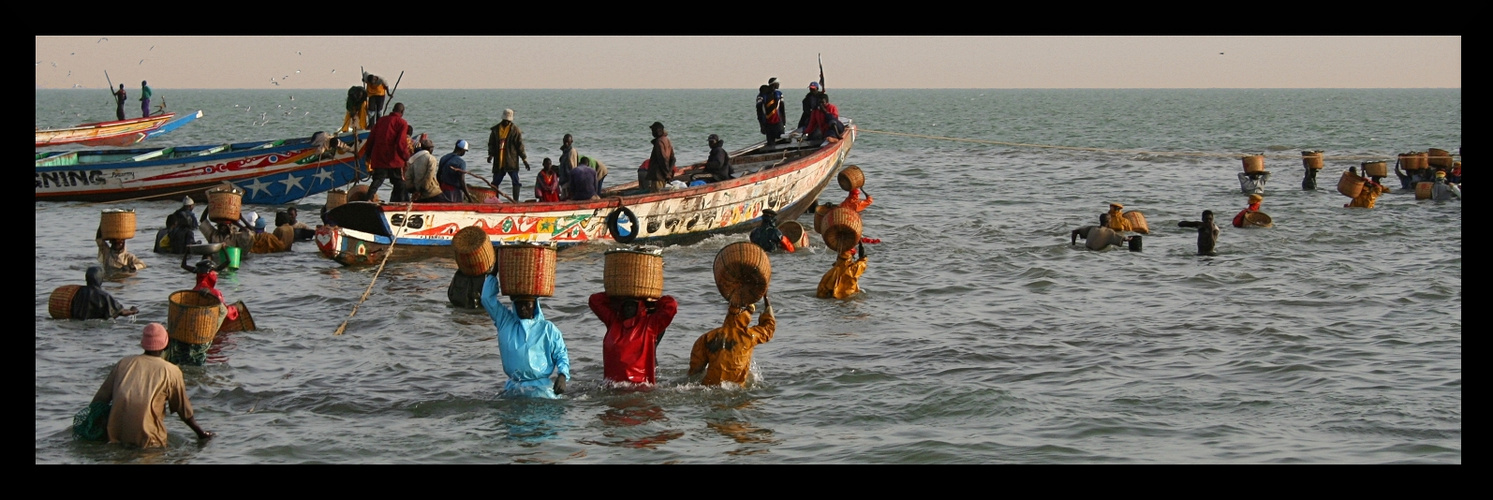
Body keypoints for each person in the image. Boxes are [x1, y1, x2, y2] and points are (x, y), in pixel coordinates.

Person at [89, 323, 214, 448]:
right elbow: (183, 411)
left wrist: (91, 425)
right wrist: (200, 433)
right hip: (149, 441)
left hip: (116, 437)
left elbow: (100, 400)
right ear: (166, 343)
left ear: (143, 343)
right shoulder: (171, 371)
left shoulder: (124, 363)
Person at [479, 271, 571, 399]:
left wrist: (562, 375)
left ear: (534, 306)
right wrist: (493, 273)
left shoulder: (547, 328)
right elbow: (486, 298)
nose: (523, 308)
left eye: (527, 304)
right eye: (519, 304)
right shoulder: (505, 322)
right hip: (513, 388)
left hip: (542, 390)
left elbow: (561, 354)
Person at [589, 292, 679, 385]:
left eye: (632, 305)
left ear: (639, 307)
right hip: (612, 384)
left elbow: (671, 306)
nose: (628, 308)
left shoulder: (649, 325)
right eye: (625, 305)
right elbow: (594, 300)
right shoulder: (613, 321)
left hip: (639, 384)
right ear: (621, 307)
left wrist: (652, 300)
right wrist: (616, 296)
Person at [688, 297, 776, 387]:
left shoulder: (707, 337)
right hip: (735, 388)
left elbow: (695, 372)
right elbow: (769, 329)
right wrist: (767, 300)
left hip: (709, 386)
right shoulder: (749, 336)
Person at [363, 102, 412, 202]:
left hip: (379, 157)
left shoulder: (381, 120)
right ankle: (401, 202)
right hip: (393, 159)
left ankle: (368, 199)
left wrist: (368, 154)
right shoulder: (402, 123)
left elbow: (371, 138)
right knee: (399, 182)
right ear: (402, 112)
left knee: (377, 180)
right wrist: (406, 157)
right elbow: (400, 143)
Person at [486, 108, 530, 202]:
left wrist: (524, 160)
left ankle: (515, 201)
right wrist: (491, 154)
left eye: (509, 121)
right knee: (495, 183)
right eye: (505, 121)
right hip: (499, 161)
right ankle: (495, 200)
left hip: (511, 161)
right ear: (502, 119)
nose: (507, 123)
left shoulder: (515, 130)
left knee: (516, 182)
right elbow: (491, 144)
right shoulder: (496, 130)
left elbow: (520, 146)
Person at [70, 266, 139, 320]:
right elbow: (121, 312)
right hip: (96, 327)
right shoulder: (104, 296)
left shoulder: (77, 291)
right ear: (100, 278)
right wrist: (133, 311)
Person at [406, 134, 442, 202]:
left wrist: (413, 190)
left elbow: (408, 177)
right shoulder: (431, 158)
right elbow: (429, 176)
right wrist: (423, 189)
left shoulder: (413, 159)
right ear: (430, 148)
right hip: (430, 192)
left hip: (417, 192)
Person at [645, 122, 676, 193]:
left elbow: (662, 159)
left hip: (658, 175)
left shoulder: (659, 142)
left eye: (653, 131)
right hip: (663, 175)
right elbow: (673, 159)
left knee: (656, 193)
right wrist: (669, 172)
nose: (652, 133)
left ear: (657, 131)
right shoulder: (667, 140)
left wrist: (667, 174)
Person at [755, 82, 786, 146]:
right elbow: (760, 111)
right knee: (780, 140)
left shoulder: (777, 94)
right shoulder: (763, 96)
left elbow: (782, 109)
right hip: (771, 122)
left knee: (773, 141)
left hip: (773, 122)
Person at [557, 134, 579, 198]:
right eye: (565, 141)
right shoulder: (565, 151)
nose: (566, 143)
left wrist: (571, 182)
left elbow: (573, 167)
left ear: (571, 142)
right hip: (564, 181)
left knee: (565, 198)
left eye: (568, 142)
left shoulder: (572, 152)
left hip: (568, 181)